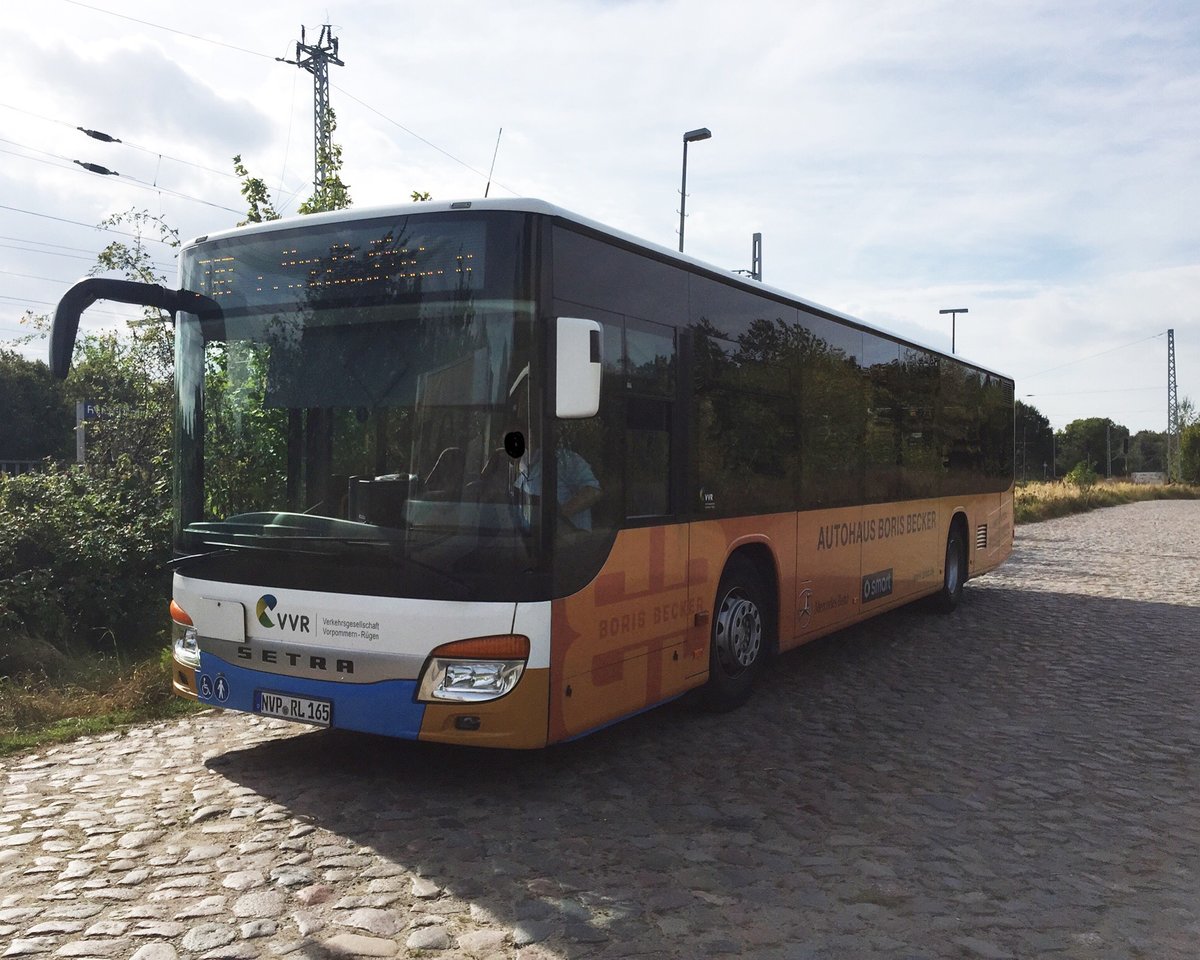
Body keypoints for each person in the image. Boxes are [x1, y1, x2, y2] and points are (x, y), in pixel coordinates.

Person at [514, 443, 602, 532]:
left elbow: (593, 491)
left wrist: (557, 518)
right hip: (532, 541)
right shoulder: (523, 470)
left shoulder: (564, 459)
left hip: (571, 541)